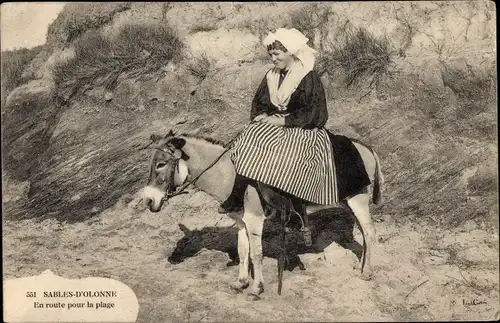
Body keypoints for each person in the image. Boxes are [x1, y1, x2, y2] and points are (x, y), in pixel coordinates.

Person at [218, 28, 330, 214]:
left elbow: (314, 112)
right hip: (275, 123)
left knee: (287, 152)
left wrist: (281, 121)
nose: (273, 59)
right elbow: (260, 102)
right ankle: (239, 196)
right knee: (249, 137)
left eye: (277, 54)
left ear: (290, 52)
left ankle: (293, 205)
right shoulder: (272, 76)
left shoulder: (307, 75)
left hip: (302, 127)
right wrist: (262, 115)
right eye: (270, 55)